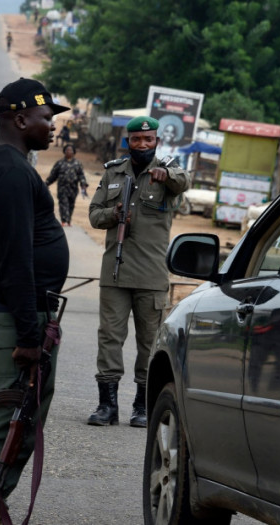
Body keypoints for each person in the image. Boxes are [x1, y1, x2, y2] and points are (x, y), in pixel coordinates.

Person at [0, 78, 70, 524]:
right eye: (47, 119)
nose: (52, 128)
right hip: (13, 317)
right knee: (12, 419)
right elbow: (16, 259)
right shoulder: (9, 171)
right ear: (21, 119)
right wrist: (28, 333)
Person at [86, 115, 190, 428]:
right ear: (127, 142)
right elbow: (93, 214)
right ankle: (107, 406)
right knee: (109, 338)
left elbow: (183, 182)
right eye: (136, 140)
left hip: (151, 274)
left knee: (150, 342)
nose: (142, 145)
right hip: (115, 271)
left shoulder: (168, 170)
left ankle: (142, 406)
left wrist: (165, 174)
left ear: (157, 140)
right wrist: (113, 214)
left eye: (148, 140)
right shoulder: (114, 171)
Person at [45, 144, 88, 226]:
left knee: (71, 204)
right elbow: (53, 175)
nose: (69, 152)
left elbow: (81, 175)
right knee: (63, 203)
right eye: (67, 150)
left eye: (70, 150)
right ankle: (64, 220)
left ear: (74, 152)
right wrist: (46, 183)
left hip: (73, 188)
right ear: (64, 151)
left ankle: (68, 221)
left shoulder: (77, 164)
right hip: (62, 188)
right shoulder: (59, 163)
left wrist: (83, 184)